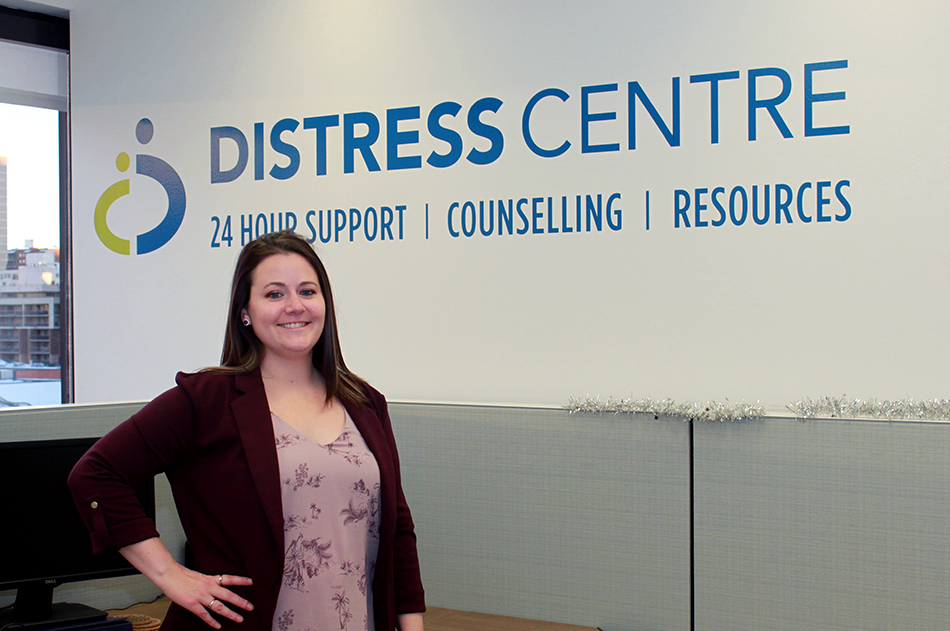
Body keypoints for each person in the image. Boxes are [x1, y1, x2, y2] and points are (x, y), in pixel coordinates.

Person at [68, 230, 425, 631]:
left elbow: (397, 529)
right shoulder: (206, 401)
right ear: (245, 312)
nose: (294, 306)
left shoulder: (364, 402)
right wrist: (170, 576)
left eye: (307, 291)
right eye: (274, 294)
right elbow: (96, 473)